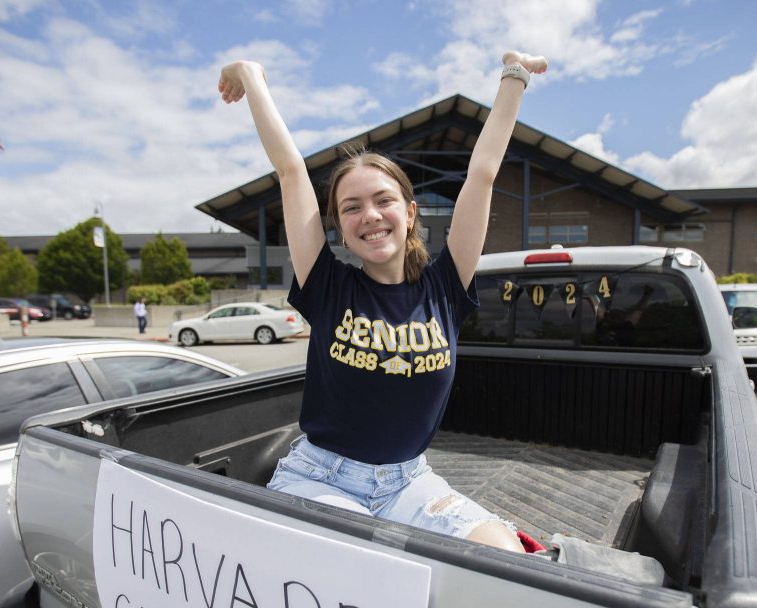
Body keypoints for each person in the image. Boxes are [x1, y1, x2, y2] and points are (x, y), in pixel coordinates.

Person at [219, 51, 547, 553]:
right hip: (320, 480)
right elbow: (290, 172)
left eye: (383, 200)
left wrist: (514, 77)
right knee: (369, 567)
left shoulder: (445, 286)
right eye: (351, 208)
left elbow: (481, 174)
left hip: (408, 483)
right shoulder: (329, 286)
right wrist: (250, 77)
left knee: (507, 559)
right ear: (342, 231)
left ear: (411, 213)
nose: (369, 215)